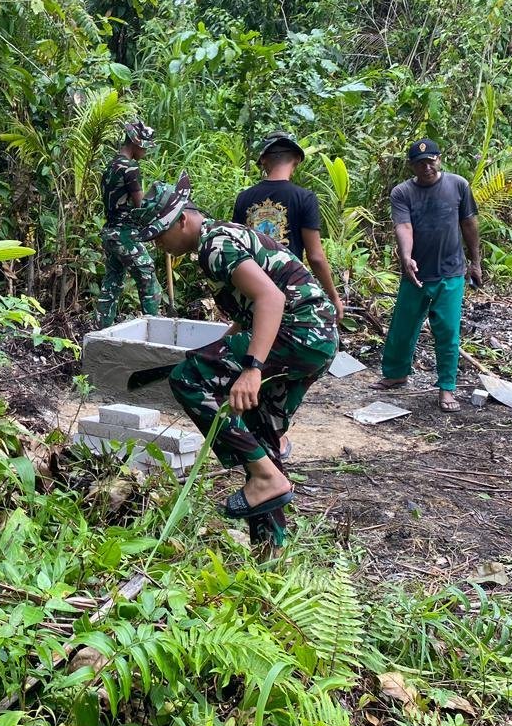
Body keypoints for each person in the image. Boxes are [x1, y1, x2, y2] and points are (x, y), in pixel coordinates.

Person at [134, 173, 338, 545]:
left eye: (161, 234)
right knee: (260, 436)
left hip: (298, 332)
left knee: (188, 379)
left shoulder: (215, 245)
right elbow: (250, 315)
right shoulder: (222, 238)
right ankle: (270, 551)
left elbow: (272, 301)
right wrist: (216, 351)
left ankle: (266, 477)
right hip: (314, 340)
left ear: (183, 219)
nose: (160, 245)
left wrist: (252, 369)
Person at [375, 138, 483, 412]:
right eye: (420, 163)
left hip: (450, 272)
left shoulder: (458, 184)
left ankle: (446, 388)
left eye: (431, 161)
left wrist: (476, 262)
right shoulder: (402, 192)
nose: (427, 167)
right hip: (416, 273)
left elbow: (469, 223)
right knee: (403, 325)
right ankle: (396, 373)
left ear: (439, 159)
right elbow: (404, 226)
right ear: (412, 166)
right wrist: (406, 257)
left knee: (447, 330)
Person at [232, 131, 345, 325]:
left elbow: (236, 249)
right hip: (288, 288)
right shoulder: (304, 198)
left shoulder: (244, 198)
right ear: (296, 160)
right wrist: (333, 296)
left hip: (251, 287)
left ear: (264, 161)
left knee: (252, 339)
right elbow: (316, 257)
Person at [96, 120, 162, 328]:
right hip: (124, 233)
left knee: (112, 283)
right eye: (144, 146)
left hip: (110, 233)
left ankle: (101, 331)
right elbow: (140, 205)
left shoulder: (110, 165)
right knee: (147, 276)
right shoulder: (130, 168)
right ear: (135, 143)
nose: (145, 151)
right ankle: (156, 329)